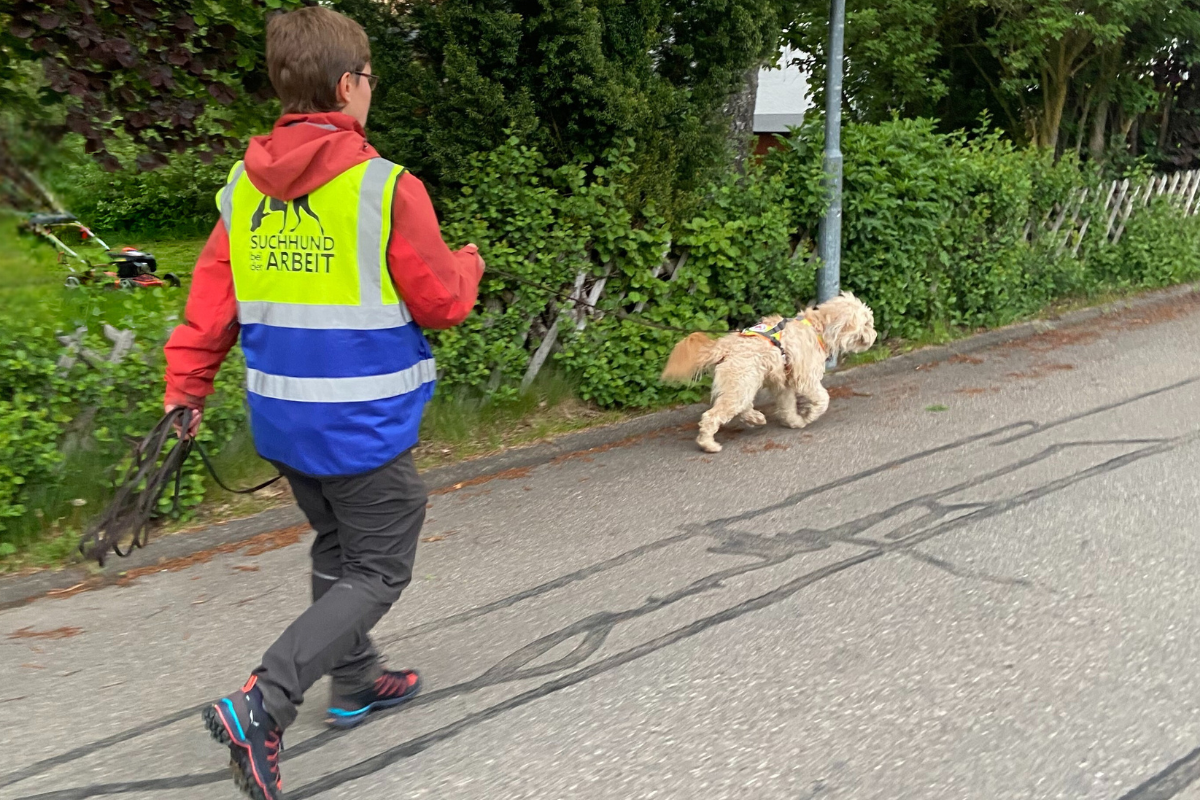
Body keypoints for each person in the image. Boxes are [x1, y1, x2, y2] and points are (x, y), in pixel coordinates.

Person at [163, 7, 484, 799]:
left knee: (337, 552)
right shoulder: (384, 188)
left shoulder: (242, 189)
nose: (371, 90)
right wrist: (469, 264)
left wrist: (186, 392)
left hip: (282, 422)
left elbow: (211, 304)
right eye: (370, 77)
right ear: (348, 84)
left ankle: (355, 681)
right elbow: (442, 302)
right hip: (363, 426)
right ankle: (263, 704)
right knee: (377, 568)